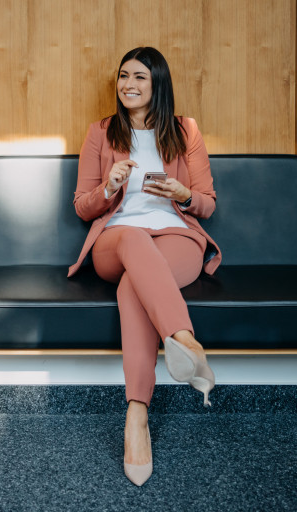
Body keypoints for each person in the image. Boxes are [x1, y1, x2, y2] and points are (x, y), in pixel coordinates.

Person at [68, 47, 222, 486]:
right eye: (122, 77)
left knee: (133, 288)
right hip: (117, 240)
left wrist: (181, 194)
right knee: (134, 242)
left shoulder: (184, 131)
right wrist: (108, 186)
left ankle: (136, 419)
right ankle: (186, 339)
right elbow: (82, 207)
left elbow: (207, 204)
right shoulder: (100, 132)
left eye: (139, 77)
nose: (128, 85)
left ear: (158, 84)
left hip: (176, 239)